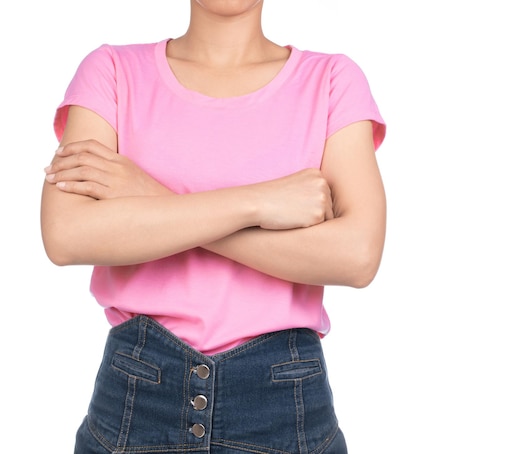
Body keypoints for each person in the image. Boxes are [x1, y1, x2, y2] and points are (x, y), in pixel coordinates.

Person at [41, 1, 386, 453]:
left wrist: (151, 197)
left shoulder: (331, 80)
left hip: (284, 406)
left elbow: (357, 256)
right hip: (135, 402)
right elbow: (67, 234)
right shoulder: (112, 71)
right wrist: (257, 203)